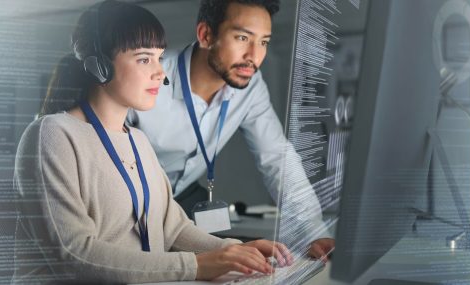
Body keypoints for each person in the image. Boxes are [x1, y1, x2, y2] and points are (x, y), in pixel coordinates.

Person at [12, 1, 292, 284]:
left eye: (159, 58)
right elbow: (74, 253)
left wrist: (233, 250)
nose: (160, 72)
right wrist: (196, 265)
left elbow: (173, 228)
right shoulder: (52, 135)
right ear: (99, 67)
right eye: (145, 59)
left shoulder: (138, 140)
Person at [127, 0, 335, 259]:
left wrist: (313, 232)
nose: (254, 55)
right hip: (130, 200)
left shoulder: (250, 86)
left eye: (263, 42)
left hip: (185, 196)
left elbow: (277, 157)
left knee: (243, 257)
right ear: (206, 35)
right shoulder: (148, 77)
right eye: (242, 37)